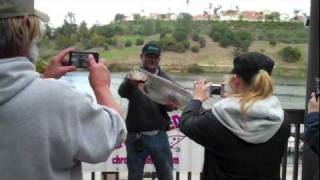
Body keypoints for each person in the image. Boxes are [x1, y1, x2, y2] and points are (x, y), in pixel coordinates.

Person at [0, 1, 127, 180]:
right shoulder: (57, 99)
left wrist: (43, 79)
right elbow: (114, 132)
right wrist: (102, 87)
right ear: (27, 23)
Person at [180, 52, 290, 180]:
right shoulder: (282, 120)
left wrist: (197, 98)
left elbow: (186, 123)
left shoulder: (219, 118)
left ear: (236, 81)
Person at [118, 43, 174, 180]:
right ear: (141, 57)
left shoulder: (165, 79)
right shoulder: (134, 74)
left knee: (166, 175)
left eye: (155, 57)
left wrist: (171, 106)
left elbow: (171, 105)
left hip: (159, 134)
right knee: (135, 176)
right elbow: (121, 92)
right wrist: (129, 83)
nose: (152, 59)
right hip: (135, 136)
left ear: (159, 58)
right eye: (149, 56)